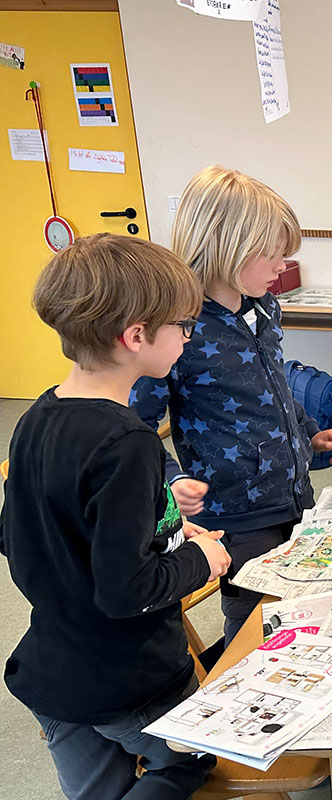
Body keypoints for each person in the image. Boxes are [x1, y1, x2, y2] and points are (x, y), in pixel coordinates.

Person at [1, 234, 232, 800]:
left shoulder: (37, 417)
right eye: (184, 324)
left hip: (53, 672)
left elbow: (21, 536)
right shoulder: (129, 442)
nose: (188, 335)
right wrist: (198, 561)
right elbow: (124, 590)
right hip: (128, 678)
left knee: (96, 793)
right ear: (135, 337)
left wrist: (172, 533)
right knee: (187, 764)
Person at [131, 166, 332, 644]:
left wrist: (309, 431)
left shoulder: (264, 304)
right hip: (233, 511)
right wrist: (172, 481)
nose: (281, 268)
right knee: (254, 624)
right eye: (272, 255)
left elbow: (273, 384)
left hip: (290, 493)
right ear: (226, 248)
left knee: (305, 605)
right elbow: (134, 425)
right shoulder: (174, 325)